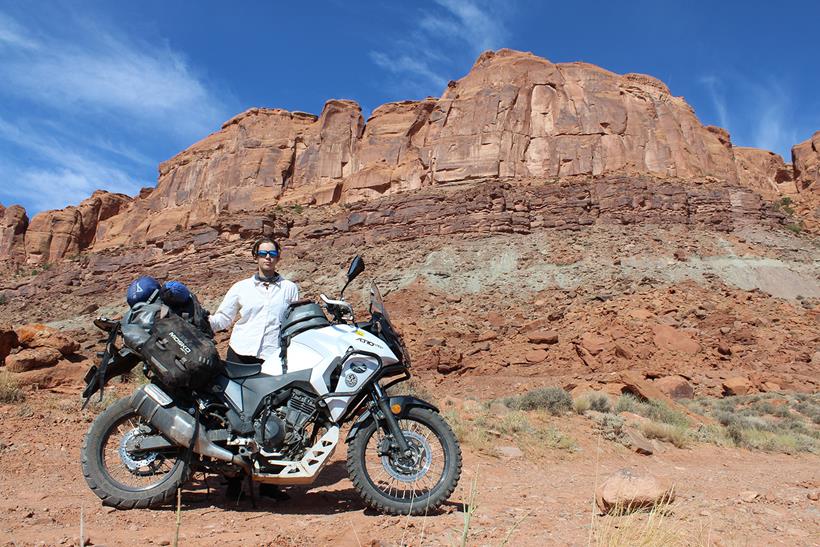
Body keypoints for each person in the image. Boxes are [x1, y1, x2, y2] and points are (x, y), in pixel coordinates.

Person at [208, 236, 299, 501]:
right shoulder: (241, 288)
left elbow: (291, 323)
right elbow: (223, 319)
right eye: (262, 253)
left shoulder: (290, 288)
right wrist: (200, 322)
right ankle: (234, 482)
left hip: (272, 359)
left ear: (279, 257)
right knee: (234, 419)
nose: (267, 257)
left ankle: (269, 484)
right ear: (255, 256)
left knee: (273, 418)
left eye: (272, 253)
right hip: (240, 356)